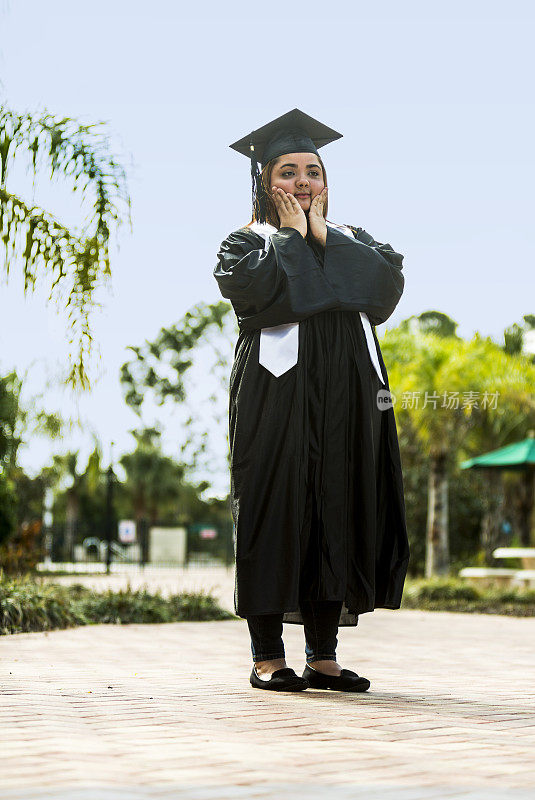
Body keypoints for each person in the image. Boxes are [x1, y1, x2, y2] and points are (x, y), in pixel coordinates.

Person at [213, 108, 410, 693]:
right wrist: (298, 241)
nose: (303, 182)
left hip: (348, 395)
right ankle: (267, 655)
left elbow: (383, 290)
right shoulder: (245, 244)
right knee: (274, 510)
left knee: (339, 507)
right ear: (264, 181)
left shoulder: (357, 240)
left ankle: (323, 654)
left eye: (313, 171)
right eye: (288, 171)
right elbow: (263, 298)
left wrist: (321, 239)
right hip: (277, 397)